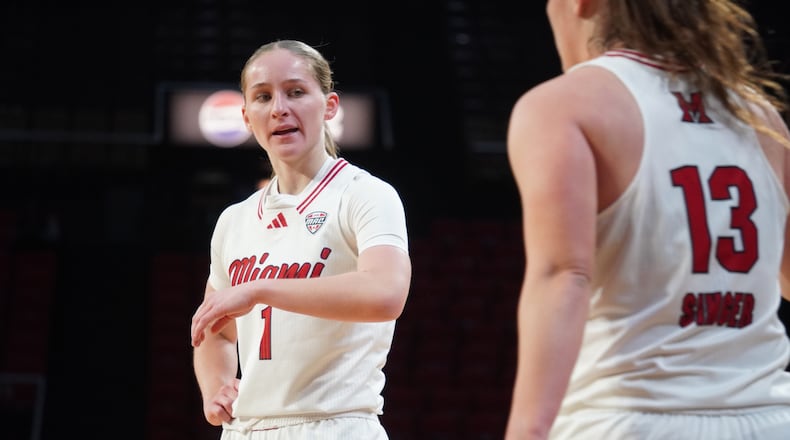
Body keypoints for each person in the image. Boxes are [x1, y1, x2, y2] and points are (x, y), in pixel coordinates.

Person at [504, 1, 790, 439]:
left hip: (630, 417)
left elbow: (564, 276)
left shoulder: (563, 106)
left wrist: (527, 431)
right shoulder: (760, 115)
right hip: (770, 418)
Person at [190, 39, 412, 439]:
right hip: (246, 430)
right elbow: (216, 330)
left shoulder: (366, 194)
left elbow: (386, 293)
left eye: (295, 92)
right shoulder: (233, 220)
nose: (279, 108)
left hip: (335, 423)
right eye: (262, 96)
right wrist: (216, 388)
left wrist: (259, 290)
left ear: (328, 106)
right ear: (246, 116)